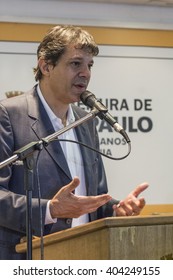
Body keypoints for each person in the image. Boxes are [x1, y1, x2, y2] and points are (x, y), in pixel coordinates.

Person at [0, 25, 148, 260]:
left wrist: (115, 210)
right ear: (46, 66)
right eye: (76, 63)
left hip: (84, 255)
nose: (86, 73)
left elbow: (93, 198)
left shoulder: (86, 120)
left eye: (89, 65)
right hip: (26, 258)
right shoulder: (9, 114)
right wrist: (50, 210)